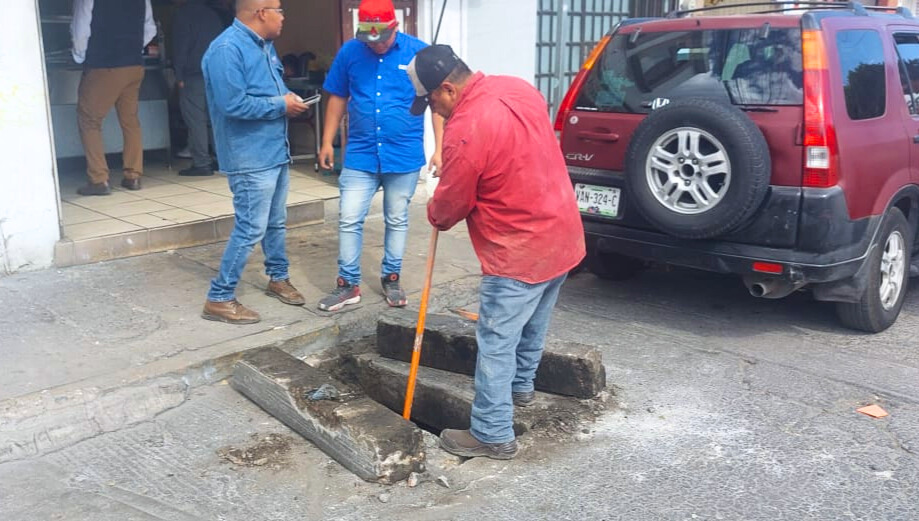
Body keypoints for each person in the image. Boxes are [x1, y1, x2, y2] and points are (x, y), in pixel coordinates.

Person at [409, 45, 586, 459]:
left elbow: (450, 207)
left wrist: (435, 209)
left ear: (448, 89)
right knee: (534, 319)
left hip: (518, 248)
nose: (433, 108)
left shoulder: (467, 128)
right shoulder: (519, 88)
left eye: (432, 99)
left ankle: (491, 432)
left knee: (496, 339)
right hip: (561, 234)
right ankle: (521, 388)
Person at [317, 0, 443, 312]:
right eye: (368, 40)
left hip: (403, 155)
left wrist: (441, 148)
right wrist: (326, 142)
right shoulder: (350, 52)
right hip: (360, 153)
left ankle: (391, 277)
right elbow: (337, 97)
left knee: (397, 219)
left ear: (395, 27)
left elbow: (439, 102)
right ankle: (347, 284)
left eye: (381, 39)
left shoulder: (418, 53)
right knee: (348, 218)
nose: (375, 46)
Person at [199, 0, 310, 325]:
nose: (283, 16)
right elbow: (232, 104)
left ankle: (278, 277)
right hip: (248, 155)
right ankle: (219, 297)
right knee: (251, 226)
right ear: (261, 12)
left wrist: (289, 99)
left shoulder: (265, 46)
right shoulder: (226, 50)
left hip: (274, 149)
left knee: (275, 221)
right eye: (280, 9)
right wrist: (281, 105)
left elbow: (268, 91)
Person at [71, 0, 157, 195]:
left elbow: (81, 28)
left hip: (104, 64)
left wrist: (80, 56)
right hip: (134, 65)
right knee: (130, 120)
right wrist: (130, 48)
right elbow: (150, 29)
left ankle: (98, 180)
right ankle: (133, 175)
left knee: (89, 119)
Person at [172, 0, 224, 177]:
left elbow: (181, 46)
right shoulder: (212, 14)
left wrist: (178, 75)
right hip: (215, 73)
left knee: (195, 120)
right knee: (214, 119)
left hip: (193, 74)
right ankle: (221, 159)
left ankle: (202, 162)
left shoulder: (183, 15)